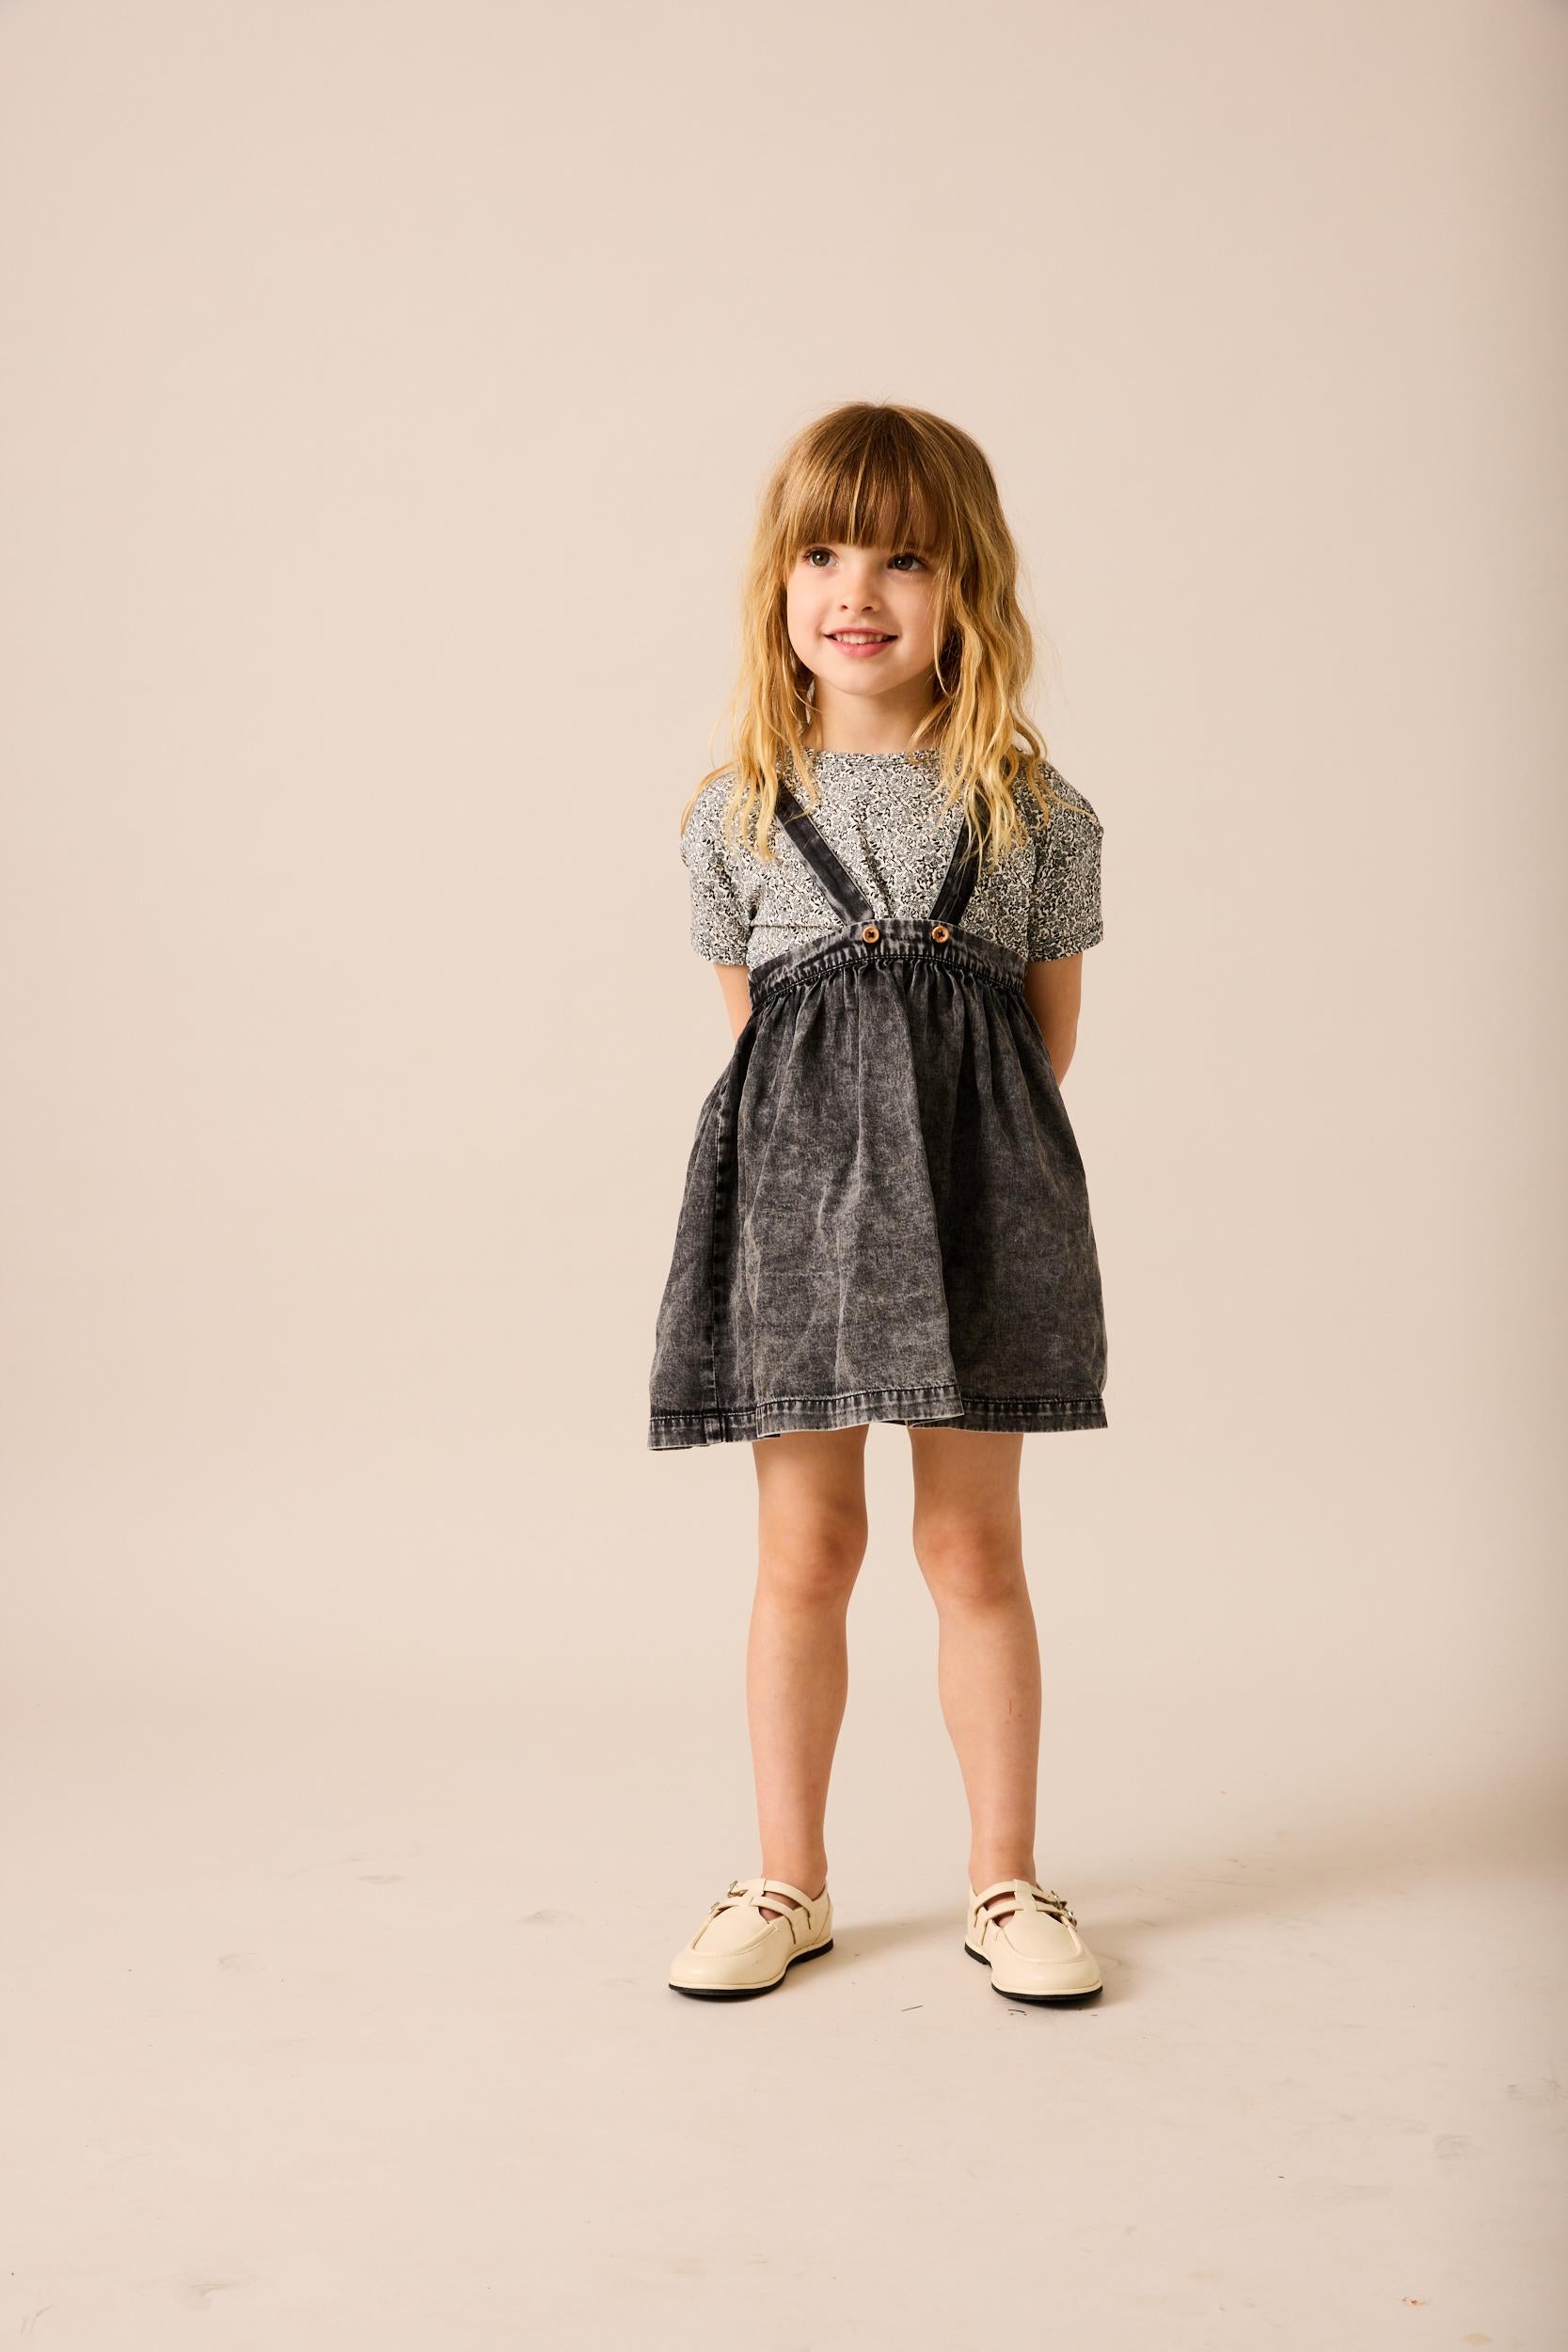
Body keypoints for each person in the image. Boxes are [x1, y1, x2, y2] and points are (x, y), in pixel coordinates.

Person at [650, 402, 1109, 2008]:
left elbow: (1040, 1042)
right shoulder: (732, 813)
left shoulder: (1038, 816)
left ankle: (1007, 1880)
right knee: (807, 1548)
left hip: (981, 1212)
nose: (859, 590)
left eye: (905, 558)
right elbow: (765, 1050)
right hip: (799, 1226)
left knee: (973, 1549)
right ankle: (789, 1878)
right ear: (778, 583)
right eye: (825, 554)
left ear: (966, 587)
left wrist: (954, 1176)